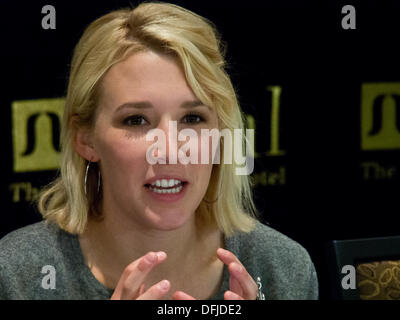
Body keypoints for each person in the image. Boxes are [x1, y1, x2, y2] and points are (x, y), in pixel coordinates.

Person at [0, 2, 318, 300]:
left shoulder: (280, 268)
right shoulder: (18, 274)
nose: (169, 151)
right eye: (137, 120)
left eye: (192, 118)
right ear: (85, 139)